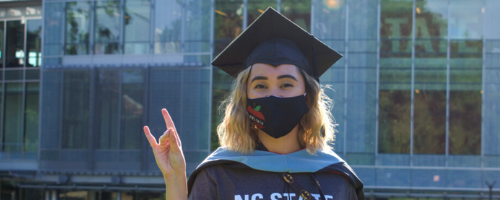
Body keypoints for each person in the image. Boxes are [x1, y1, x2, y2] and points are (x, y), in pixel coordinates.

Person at [143, 7, 364, 200]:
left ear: (307, 97)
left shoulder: (336, 178)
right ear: (244, 97)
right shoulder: (219, 174)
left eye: (286, 85)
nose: (273, 95)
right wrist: (174, 177)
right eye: (260, 86)